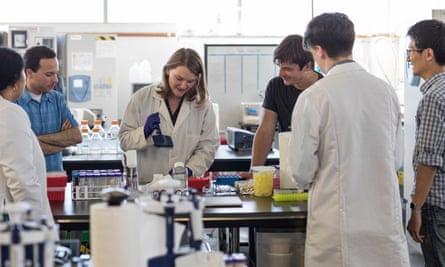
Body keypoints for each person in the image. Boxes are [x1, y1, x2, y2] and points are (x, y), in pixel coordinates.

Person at [287, 12, 409, 266]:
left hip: (337, 231)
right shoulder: (385, 92)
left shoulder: (313, 97)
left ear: (319, 51)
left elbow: (300, 172)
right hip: (382, 227)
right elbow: (396, 159)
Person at [119, 48, 219, 184]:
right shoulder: (141, 98)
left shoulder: (202, 105)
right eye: (179, 78)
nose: (183, 85)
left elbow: (208, 146)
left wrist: (189, 170)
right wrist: (144, 132)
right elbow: (124, 141)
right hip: (148, 186)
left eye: (190, 81)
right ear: (167, 70)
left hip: (183, 186)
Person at [406, 19, 445, 266]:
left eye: (411, 51)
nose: (409, 58)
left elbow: (429, 161)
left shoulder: (433, 98)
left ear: (428, 54)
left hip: (436, 207)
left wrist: (416, 208)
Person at [0, 46, 54, 223]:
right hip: (17, 225)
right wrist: (36, 226)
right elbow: (22, 179)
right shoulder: (9, 113)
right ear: (15, 82)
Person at [250, 34, 322, 167]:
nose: (281, 74)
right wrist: (254, 171)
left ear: (307, 66)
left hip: (320, 167)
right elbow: (265, 131)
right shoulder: (276, 86)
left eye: (287, 69)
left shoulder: (324, 89)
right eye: (280, 67)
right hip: (290, 163)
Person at [15, 46, 81, 172]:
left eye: (56, 74)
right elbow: (21, 148)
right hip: (26, 181)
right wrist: (62, 142)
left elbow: (76, 136)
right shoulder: (15, 103)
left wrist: (36, 139)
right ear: (29, 73)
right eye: (49, 74)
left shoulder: (57, 99)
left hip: (55, 178)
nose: (55, 80)